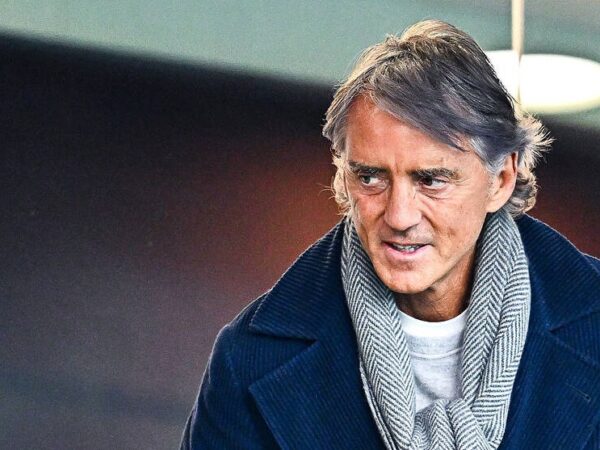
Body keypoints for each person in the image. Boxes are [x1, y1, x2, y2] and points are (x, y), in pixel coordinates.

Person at [181, 20, 600, 450]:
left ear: (501, 180)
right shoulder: (249, 360)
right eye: (370, 177)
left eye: (431, 180)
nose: (399, 216)